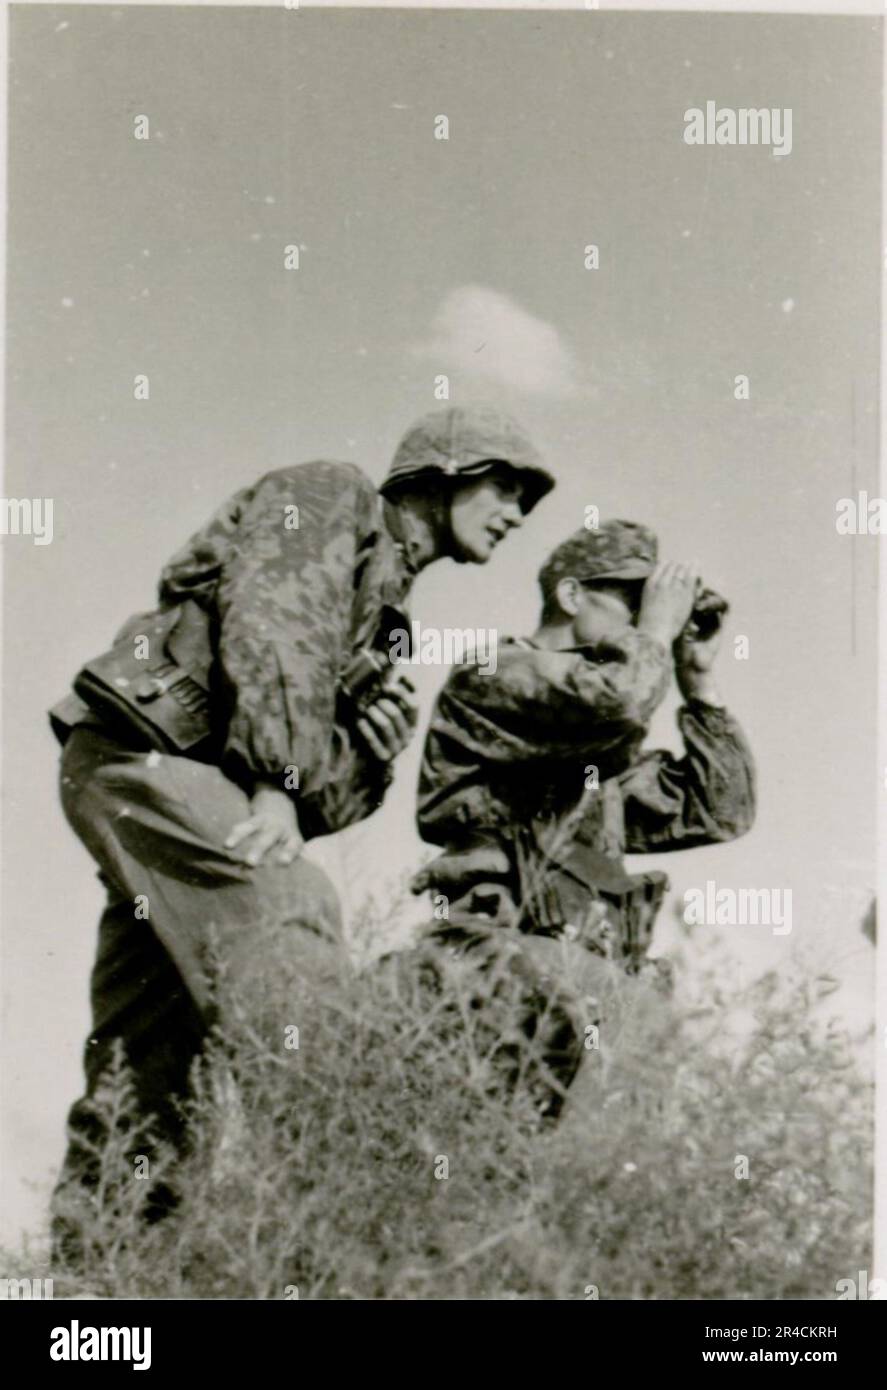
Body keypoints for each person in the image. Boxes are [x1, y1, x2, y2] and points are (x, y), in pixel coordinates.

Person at [48, 404, 554, 1248]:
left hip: (175, 784)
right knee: (294, 908)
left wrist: (361, 752)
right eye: (503, 488)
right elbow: (270, 625)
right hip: (147, 754)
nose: (513, 515)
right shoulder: (333, 497)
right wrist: (279, 782)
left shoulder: (388, 620)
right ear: (443, 477)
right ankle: (353, 1202)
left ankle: (107, 1277)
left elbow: (326, 809)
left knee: (150, 1051)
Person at [411, 519, 756, 1113]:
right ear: (571, 595)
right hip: (497, 958)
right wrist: (653, 633)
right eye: (632, 601)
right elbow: (615, 701)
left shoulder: (597, 752)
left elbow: (720, 810)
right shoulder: (492, 674)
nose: (650, 616)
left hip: (588, 980)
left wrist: (698, 680)